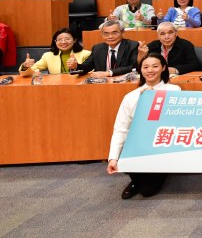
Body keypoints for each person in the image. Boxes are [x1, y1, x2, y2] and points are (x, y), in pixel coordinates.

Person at [107, 53, 179, 199]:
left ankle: (153, 175)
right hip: (138, 146)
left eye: (155, 66)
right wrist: (112, 158)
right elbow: (121, 129)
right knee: (128, 150)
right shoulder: (131, 96)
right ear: (140, 70)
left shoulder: (174, 90)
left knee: (147, 191)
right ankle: (135, 180)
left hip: (161, 145)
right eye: (145, 67)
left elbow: (175, 121)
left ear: (163, 68)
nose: (150, 70)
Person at [74, 20, 139, 78]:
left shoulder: (132, 46)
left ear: (123, 33)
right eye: (106, 34)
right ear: (102, 35)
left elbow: (133, 67)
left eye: (114, 33)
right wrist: (76, 66)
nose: (110, 36)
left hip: (124, 82)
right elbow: (87, 66)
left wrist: (108, 73)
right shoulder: (97, 48)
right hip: (102, 83)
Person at [19, 28, 91, 76]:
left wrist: (76, 67)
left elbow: (90, 74)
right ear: (55, 42)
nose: (63, 42)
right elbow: (28, 72)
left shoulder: (86, 54)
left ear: (75, 40)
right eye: (59, 40)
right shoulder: (48, 56)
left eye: (67, 39)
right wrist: (25, 66)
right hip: (56, 87)